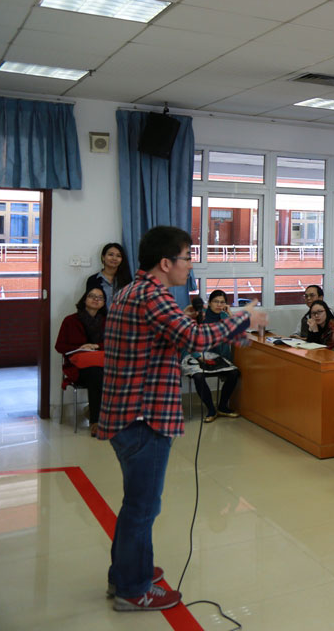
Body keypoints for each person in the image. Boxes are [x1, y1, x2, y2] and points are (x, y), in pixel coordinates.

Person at [98, 225, 265, 611]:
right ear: (165, 262)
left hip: (127, 413)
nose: (191, 264)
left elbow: (175, 334)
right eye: (188, 257)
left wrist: (204, 323)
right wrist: (245, 318)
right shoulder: (152, 296)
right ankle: (132, 588)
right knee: (143, 507)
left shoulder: (132, 290)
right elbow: (195, 339)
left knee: (136, 503)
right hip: (143, 417)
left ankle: (126, 572)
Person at [181, 290, 242, 423]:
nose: (219, 305)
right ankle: (211, 410)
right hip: (194, 353)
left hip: (214, 355)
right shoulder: (199, 315)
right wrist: (198, 356)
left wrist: (230, 314)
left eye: (222, 302)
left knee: (234, 373)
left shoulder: (224, 316)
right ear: (209, 303)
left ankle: (222, 407)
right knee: (198, 376)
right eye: (216, 302)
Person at [55, 286, 108, 436]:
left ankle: (108, 418)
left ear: (104, 303)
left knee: (102, 372)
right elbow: (59, 346)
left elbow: (114, 343)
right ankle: (96, 421)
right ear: (84, 299)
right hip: (78, 369)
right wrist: (80, 348)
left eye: (100, 297)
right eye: (92, 296)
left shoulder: (108, 321)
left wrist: (97, 346)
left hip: (103, 365)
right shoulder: (70, 320)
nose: (96, 299)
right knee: (96, 373)